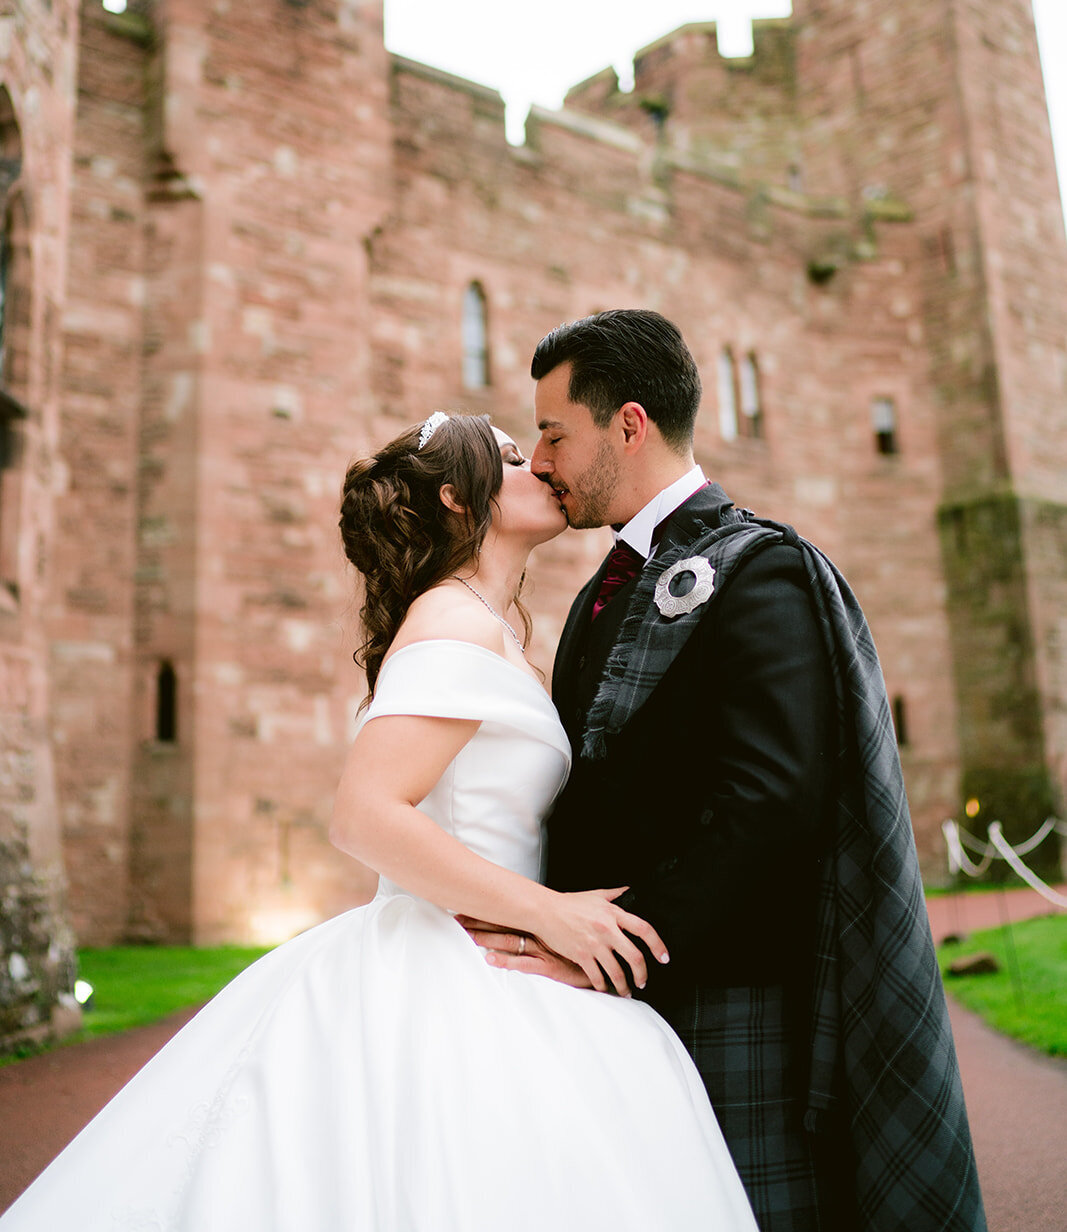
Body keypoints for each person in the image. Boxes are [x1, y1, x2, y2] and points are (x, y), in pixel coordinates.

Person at [0, 412, 758, 1232]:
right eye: (508, 457)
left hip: (494, 954)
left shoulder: (493, 629)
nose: (536, 464)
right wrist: (551, 915)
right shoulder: (452, 620)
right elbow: (364, 815)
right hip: (450, 966)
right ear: (456, 500)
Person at [466, 310, 986, 1232]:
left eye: (554, 433)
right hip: (605, 994)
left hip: (719, 993)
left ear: (627, 425)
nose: (540, 459)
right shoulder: (600, 588)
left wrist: (615, 943)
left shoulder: (762, 570)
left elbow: (772, 804)